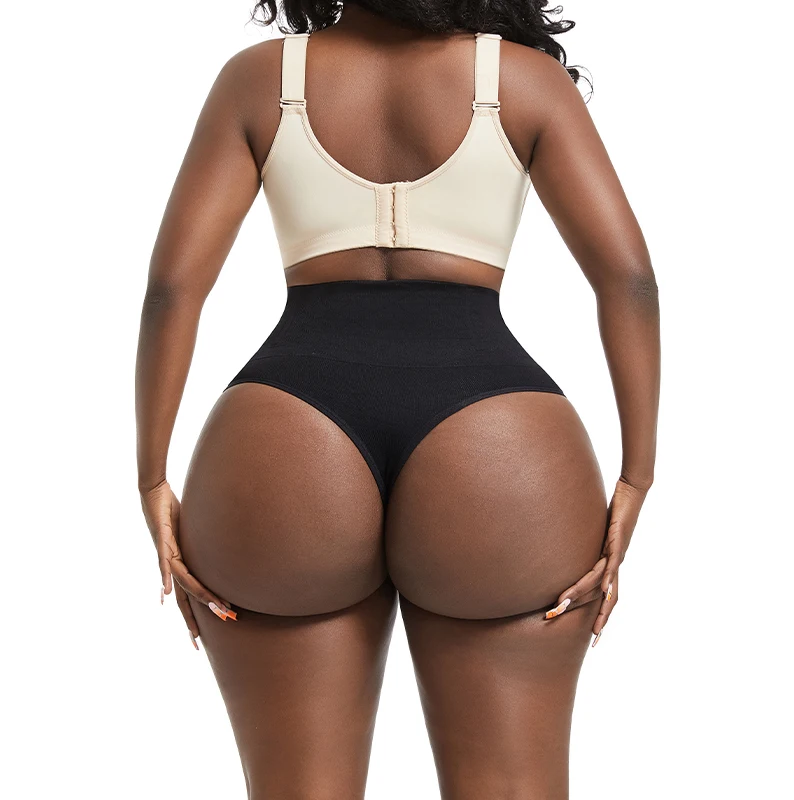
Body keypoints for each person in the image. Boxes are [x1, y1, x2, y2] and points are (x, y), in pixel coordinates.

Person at [135, 2, 660, 797]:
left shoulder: (261, 80)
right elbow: (630, 280)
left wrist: (151, 477)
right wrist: (636, 476)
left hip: (286, 430)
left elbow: (173, 291)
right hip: (497, 439)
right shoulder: (521, 81)